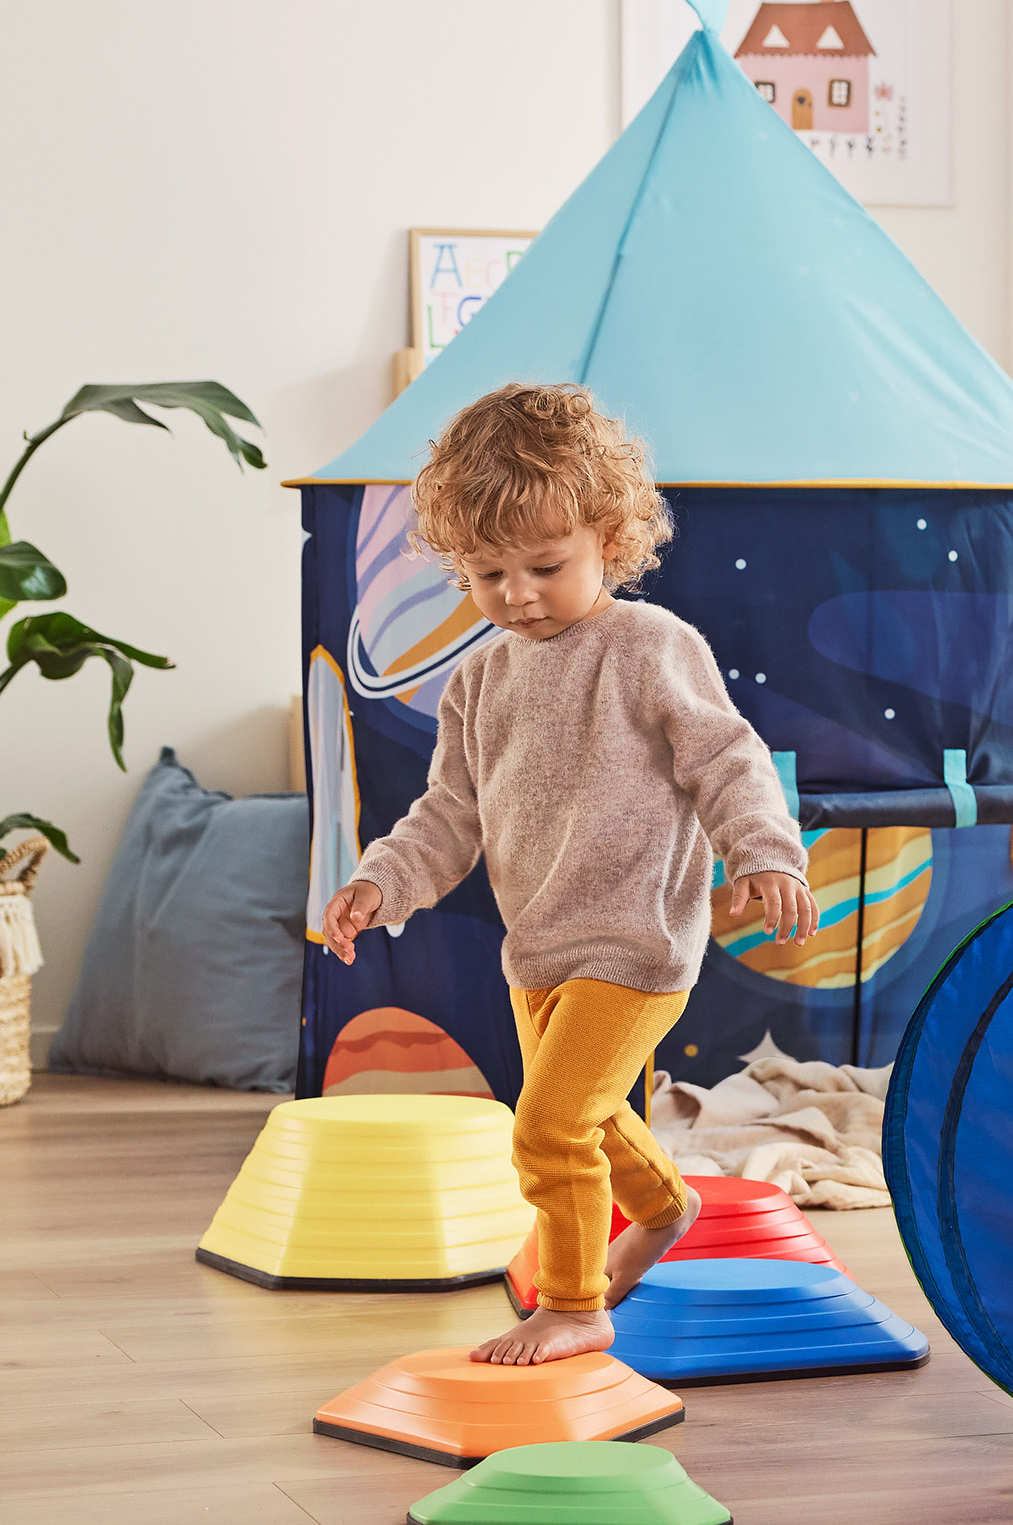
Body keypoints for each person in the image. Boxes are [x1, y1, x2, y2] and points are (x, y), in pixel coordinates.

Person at [318, 383, 816, 1366]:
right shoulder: (480, 681)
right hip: (536, 950)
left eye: (545, 565)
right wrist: (383, 881)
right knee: (585, 1117)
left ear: (609, 539)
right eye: (486, 573)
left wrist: (763, 849)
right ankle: (665, 1208)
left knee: (546, 1129)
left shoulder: (651, 648)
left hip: (636, 942)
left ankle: (577, 1305)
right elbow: (448, 815)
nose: (516, 595)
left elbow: (729, 759)